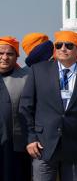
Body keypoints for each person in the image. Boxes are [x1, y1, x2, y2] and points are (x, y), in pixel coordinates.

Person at [19, 31, 77, 181]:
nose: (63, 49)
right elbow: (26, 107)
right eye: (59, 45)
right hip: (43, 145)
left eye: (69, 45)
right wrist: (31, 138)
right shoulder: (38, 70)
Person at [0, 36, 30, 181]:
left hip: (16, 147)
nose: (5, 57)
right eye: (1, 53)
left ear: (17, 56)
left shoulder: (27, 77)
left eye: (10, 54)